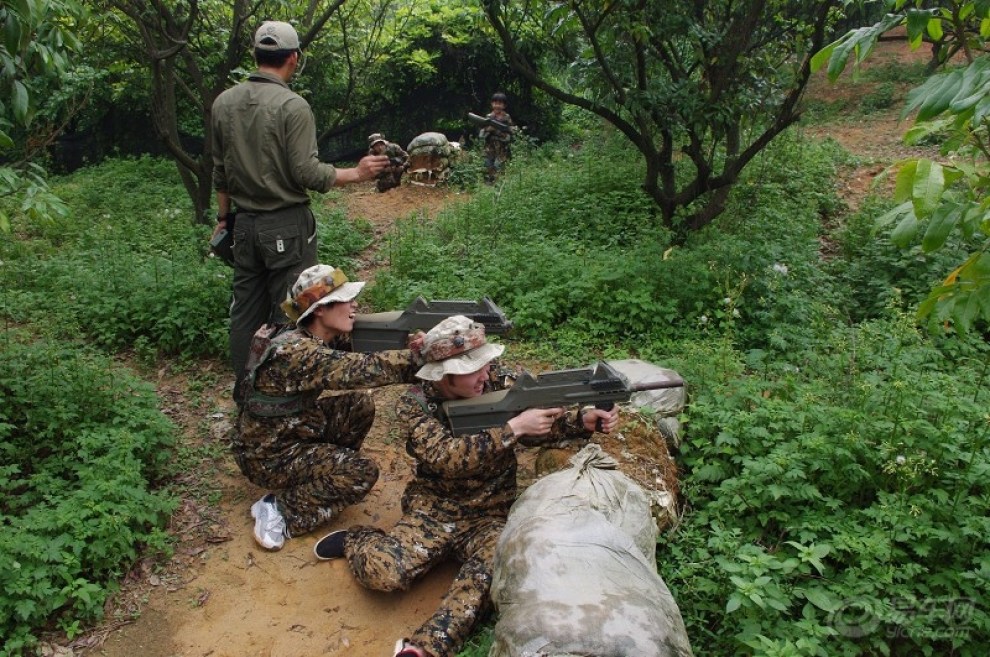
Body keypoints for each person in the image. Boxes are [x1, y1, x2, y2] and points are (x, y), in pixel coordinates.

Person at [312, 315, 619, 657]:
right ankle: (360, 539)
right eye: (474, 368)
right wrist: (512, 429)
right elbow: (445, 456)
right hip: (432, 511)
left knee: (497, 569)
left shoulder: (499, 380)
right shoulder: (414, 404)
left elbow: (544, 424)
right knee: (384, 574)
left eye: (486, 364)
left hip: (490, 515)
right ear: (445, 374)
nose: (486, 374)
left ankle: (425, 648)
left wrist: (580, 420)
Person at [210, 20, 389, 399]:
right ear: (293, 59)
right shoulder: (293, 105)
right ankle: (281, 399)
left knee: (244, 312)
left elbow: (220, 172)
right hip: (286, 225)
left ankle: (246, 394)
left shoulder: (223, 103)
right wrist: (356, 174)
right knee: (292, 312)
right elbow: (306, 172)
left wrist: (224, 219)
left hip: (243, 225)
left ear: (256, 56)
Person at [233, 263, 424, 551]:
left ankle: (326, 477)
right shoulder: (298, 353)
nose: (355, 304)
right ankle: (280, 509)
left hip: (290, 429)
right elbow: (364, 369)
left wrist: (412, 342)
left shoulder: (310, 336)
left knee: (358, 405)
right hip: (268, 456)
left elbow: (366, 347)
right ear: (320, 309)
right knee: (361, 472)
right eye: (346, 299)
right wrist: (423, 357)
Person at [479, 91, 515, 183]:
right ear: (492, 104)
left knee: (499, 164)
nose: (497, 106)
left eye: (500, 103)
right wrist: (488, 129)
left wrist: (498, 131)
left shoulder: (506, 117)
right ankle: (489, 182)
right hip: (489, 146)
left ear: (504, 106)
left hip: (502, 146)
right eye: (495, 103)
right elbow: (481, 133)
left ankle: (498, 183)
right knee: (488, 163)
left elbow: (511, 131)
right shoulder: (488, 117)